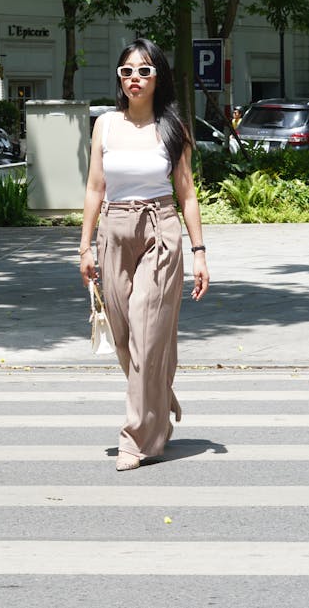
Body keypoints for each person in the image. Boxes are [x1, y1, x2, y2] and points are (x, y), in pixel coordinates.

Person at [79, 39, 209, 471]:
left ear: (159, 77)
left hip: (161, 229)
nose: (135, 78)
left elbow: (187, 194)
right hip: (114, 232)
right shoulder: (105, 126)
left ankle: (136, 438)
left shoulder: (173, 128)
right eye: (127, 72)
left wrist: (200, 252)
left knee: (147, 329)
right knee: (122, 337)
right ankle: (158, 390)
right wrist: (84, 245)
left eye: (144, 71)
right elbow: (95, 188)